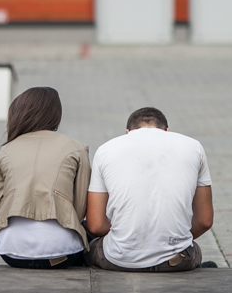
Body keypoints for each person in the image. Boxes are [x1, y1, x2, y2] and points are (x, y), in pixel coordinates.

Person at [85, 107, 214, 272]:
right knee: (192, 248)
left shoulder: (105, 150)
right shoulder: (194, 147)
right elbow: (204, 221)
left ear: (128, 132)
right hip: (176, 261)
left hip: (119, 260)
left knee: (91, 248)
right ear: (167, 131)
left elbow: (96, 226)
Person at [0, 87, 91, 269]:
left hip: (10, 251)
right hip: (62, 253)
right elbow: (79, 208)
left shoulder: (6, 151)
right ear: (56, 114)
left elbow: (2, 206)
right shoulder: (76, 148)